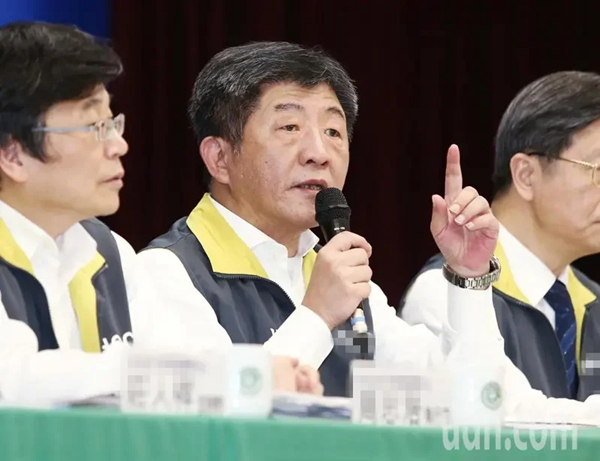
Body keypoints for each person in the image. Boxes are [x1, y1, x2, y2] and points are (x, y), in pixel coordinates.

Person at [137, 42, 600, 422]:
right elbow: (208, 424)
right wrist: (317, 316)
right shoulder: (166, 274)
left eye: (334, 132)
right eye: (289, 127)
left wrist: (469, 279)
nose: (319, 152)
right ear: (219, 158)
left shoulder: (352, 288)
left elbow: (473, 402)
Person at [0, 22, 321, 406]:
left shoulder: (109, 253)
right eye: (94, 127)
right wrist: (219, 375)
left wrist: (250, 376)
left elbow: (182, 361)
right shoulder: (166, 264)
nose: (119, 145)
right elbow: (16, 379)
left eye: (113, 123)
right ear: (13, 155)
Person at [401, 71, 600, 402]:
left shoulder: (592, 300)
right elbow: (497, 414)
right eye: (598, 170)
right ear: (526, 175)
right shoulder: (447, 293)